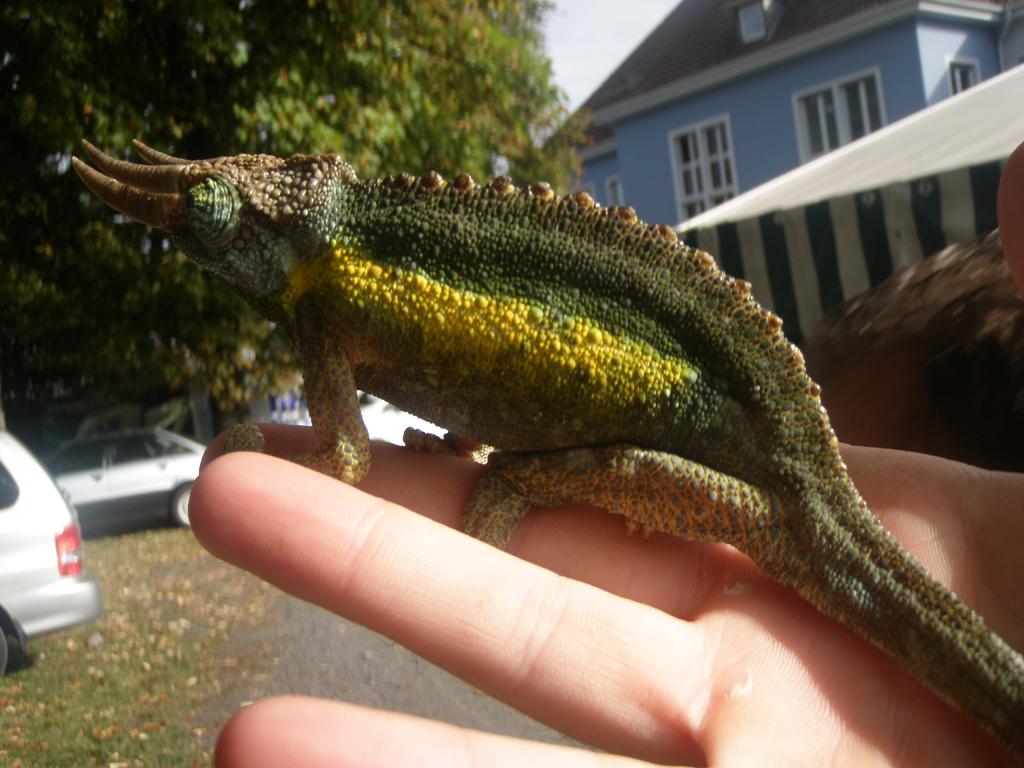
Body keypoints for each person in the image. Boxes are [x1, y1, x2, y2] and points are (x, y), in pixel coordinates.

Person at [190, 142, 1024, 767]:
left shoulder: (330, 291)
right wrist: (473, 440)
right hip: (718, 432)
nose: (202, 239)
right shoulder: (358, 272)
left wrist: (523, 476)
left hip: (730, 447)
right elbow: (482, 366)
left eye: (210, 218)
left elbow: (345, 455)